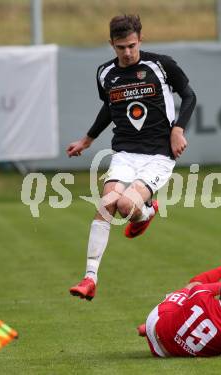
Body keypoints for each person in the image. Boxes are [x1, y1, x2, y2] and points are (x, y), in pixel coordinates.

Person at [67, 14, 197, 301]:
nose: (127, 52)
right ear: (111, 44)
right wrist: (87, 139)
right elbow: (109, 108)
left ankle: (146, 212)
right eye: (120, 47)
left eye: (132, 45)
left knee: (126, 205)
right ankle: (90, 278)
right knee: (107, 204)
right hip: (125, 153)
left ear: (140, 39)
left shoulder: (161, 65)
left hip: (159, 155)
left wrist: (178, 130)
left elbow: (189, 96)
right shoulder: (105, 73)